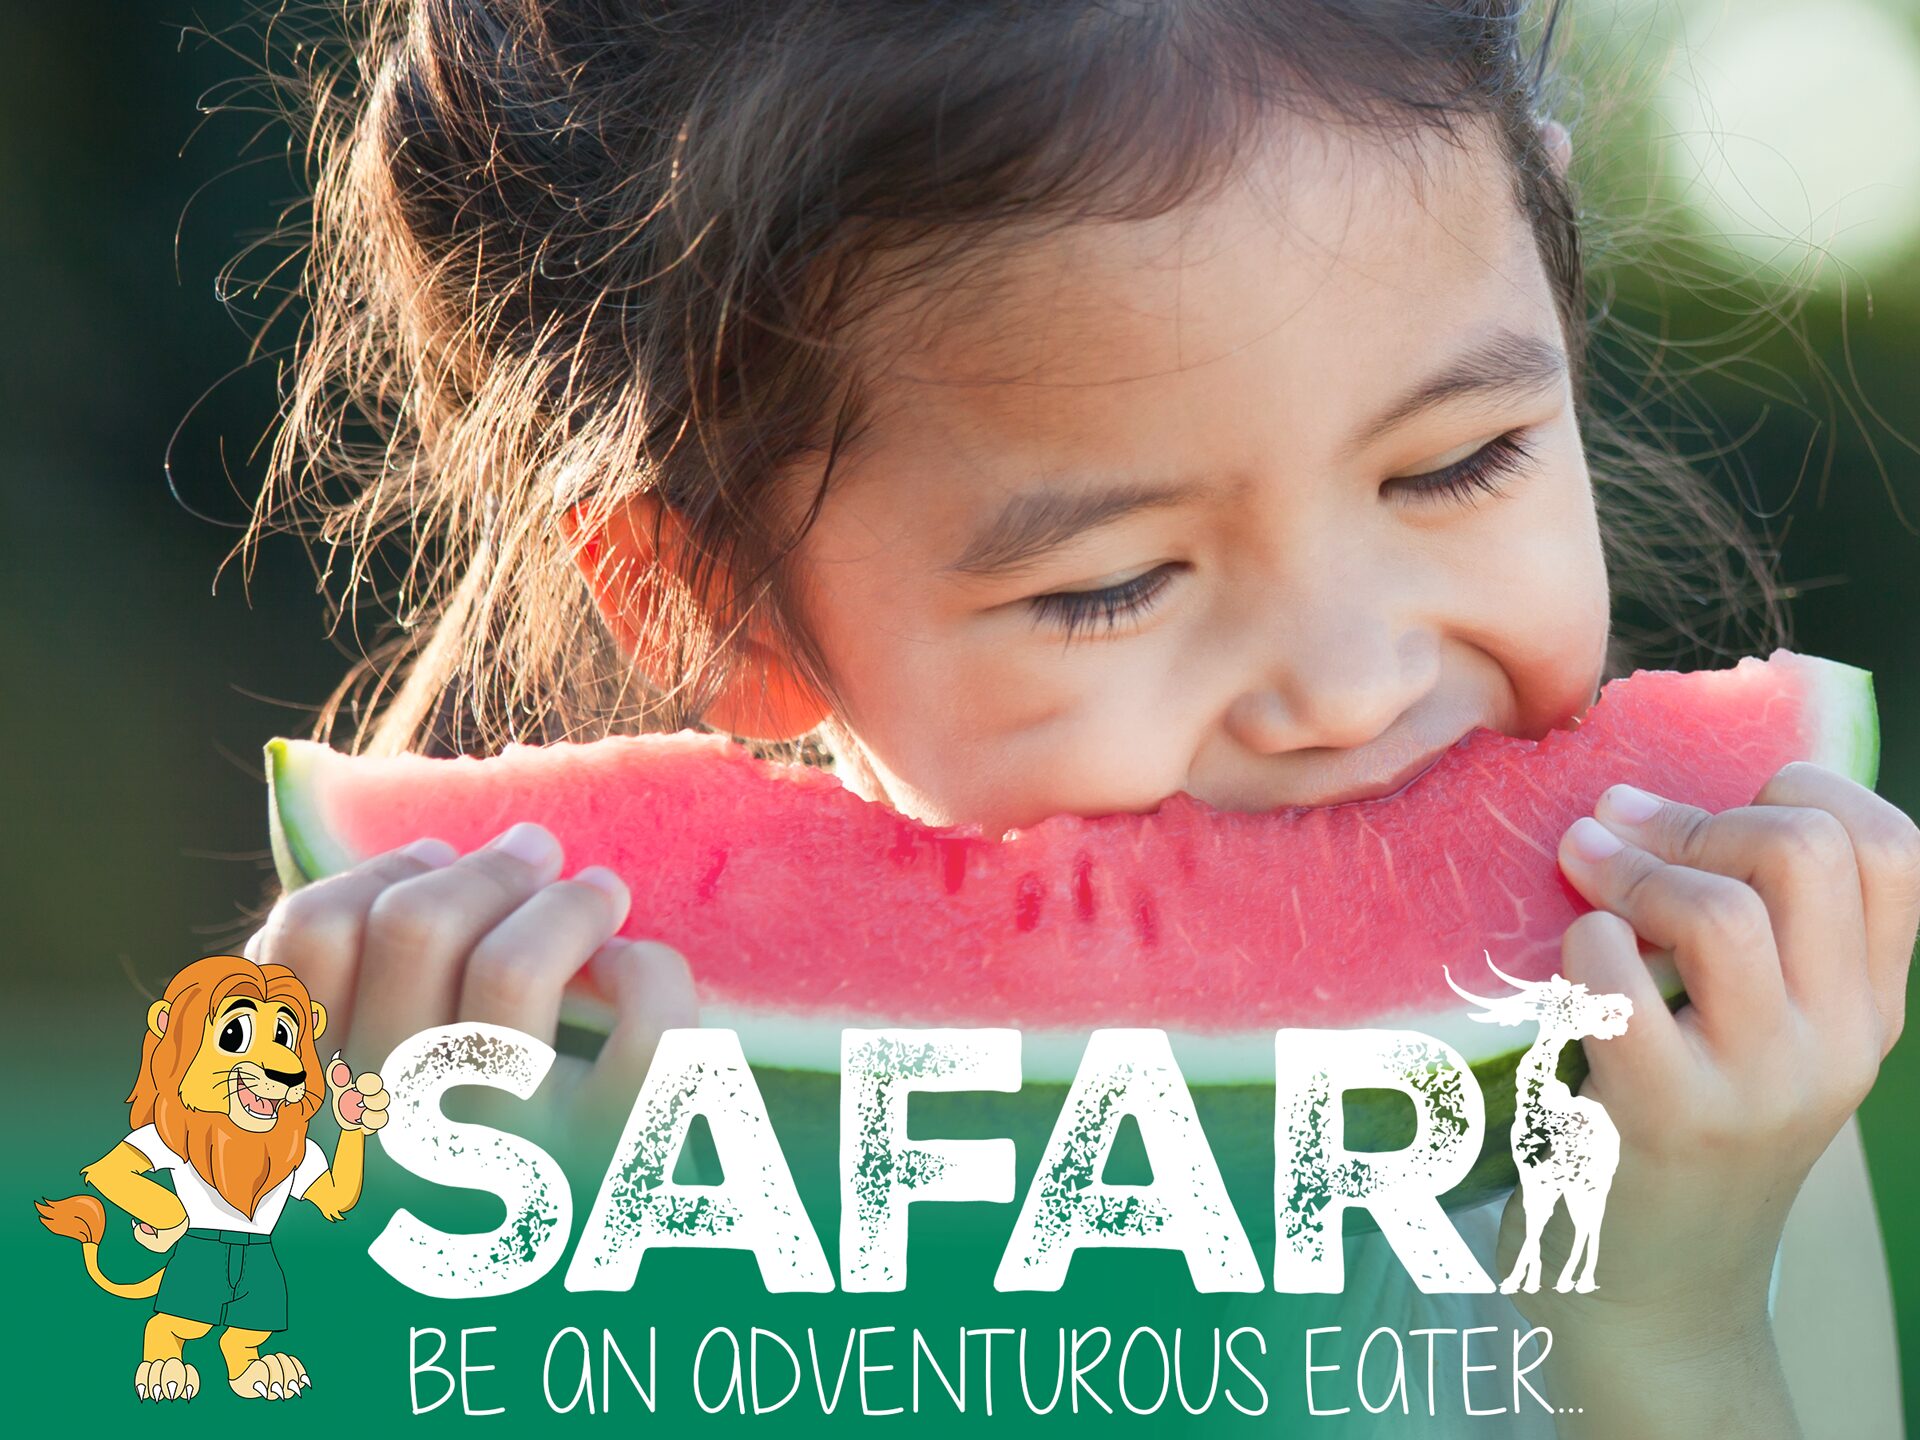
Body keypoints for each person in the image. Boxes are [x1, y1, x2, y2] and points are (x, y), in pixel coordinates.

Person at [237, 2, 1919, 1434]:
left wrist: (1671, 1323)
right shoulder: (566, 1152)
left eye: (1458, 463)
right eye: (1111, 587)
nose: (1352, 684)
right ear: (707, 598)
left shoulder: (1712, 1097)